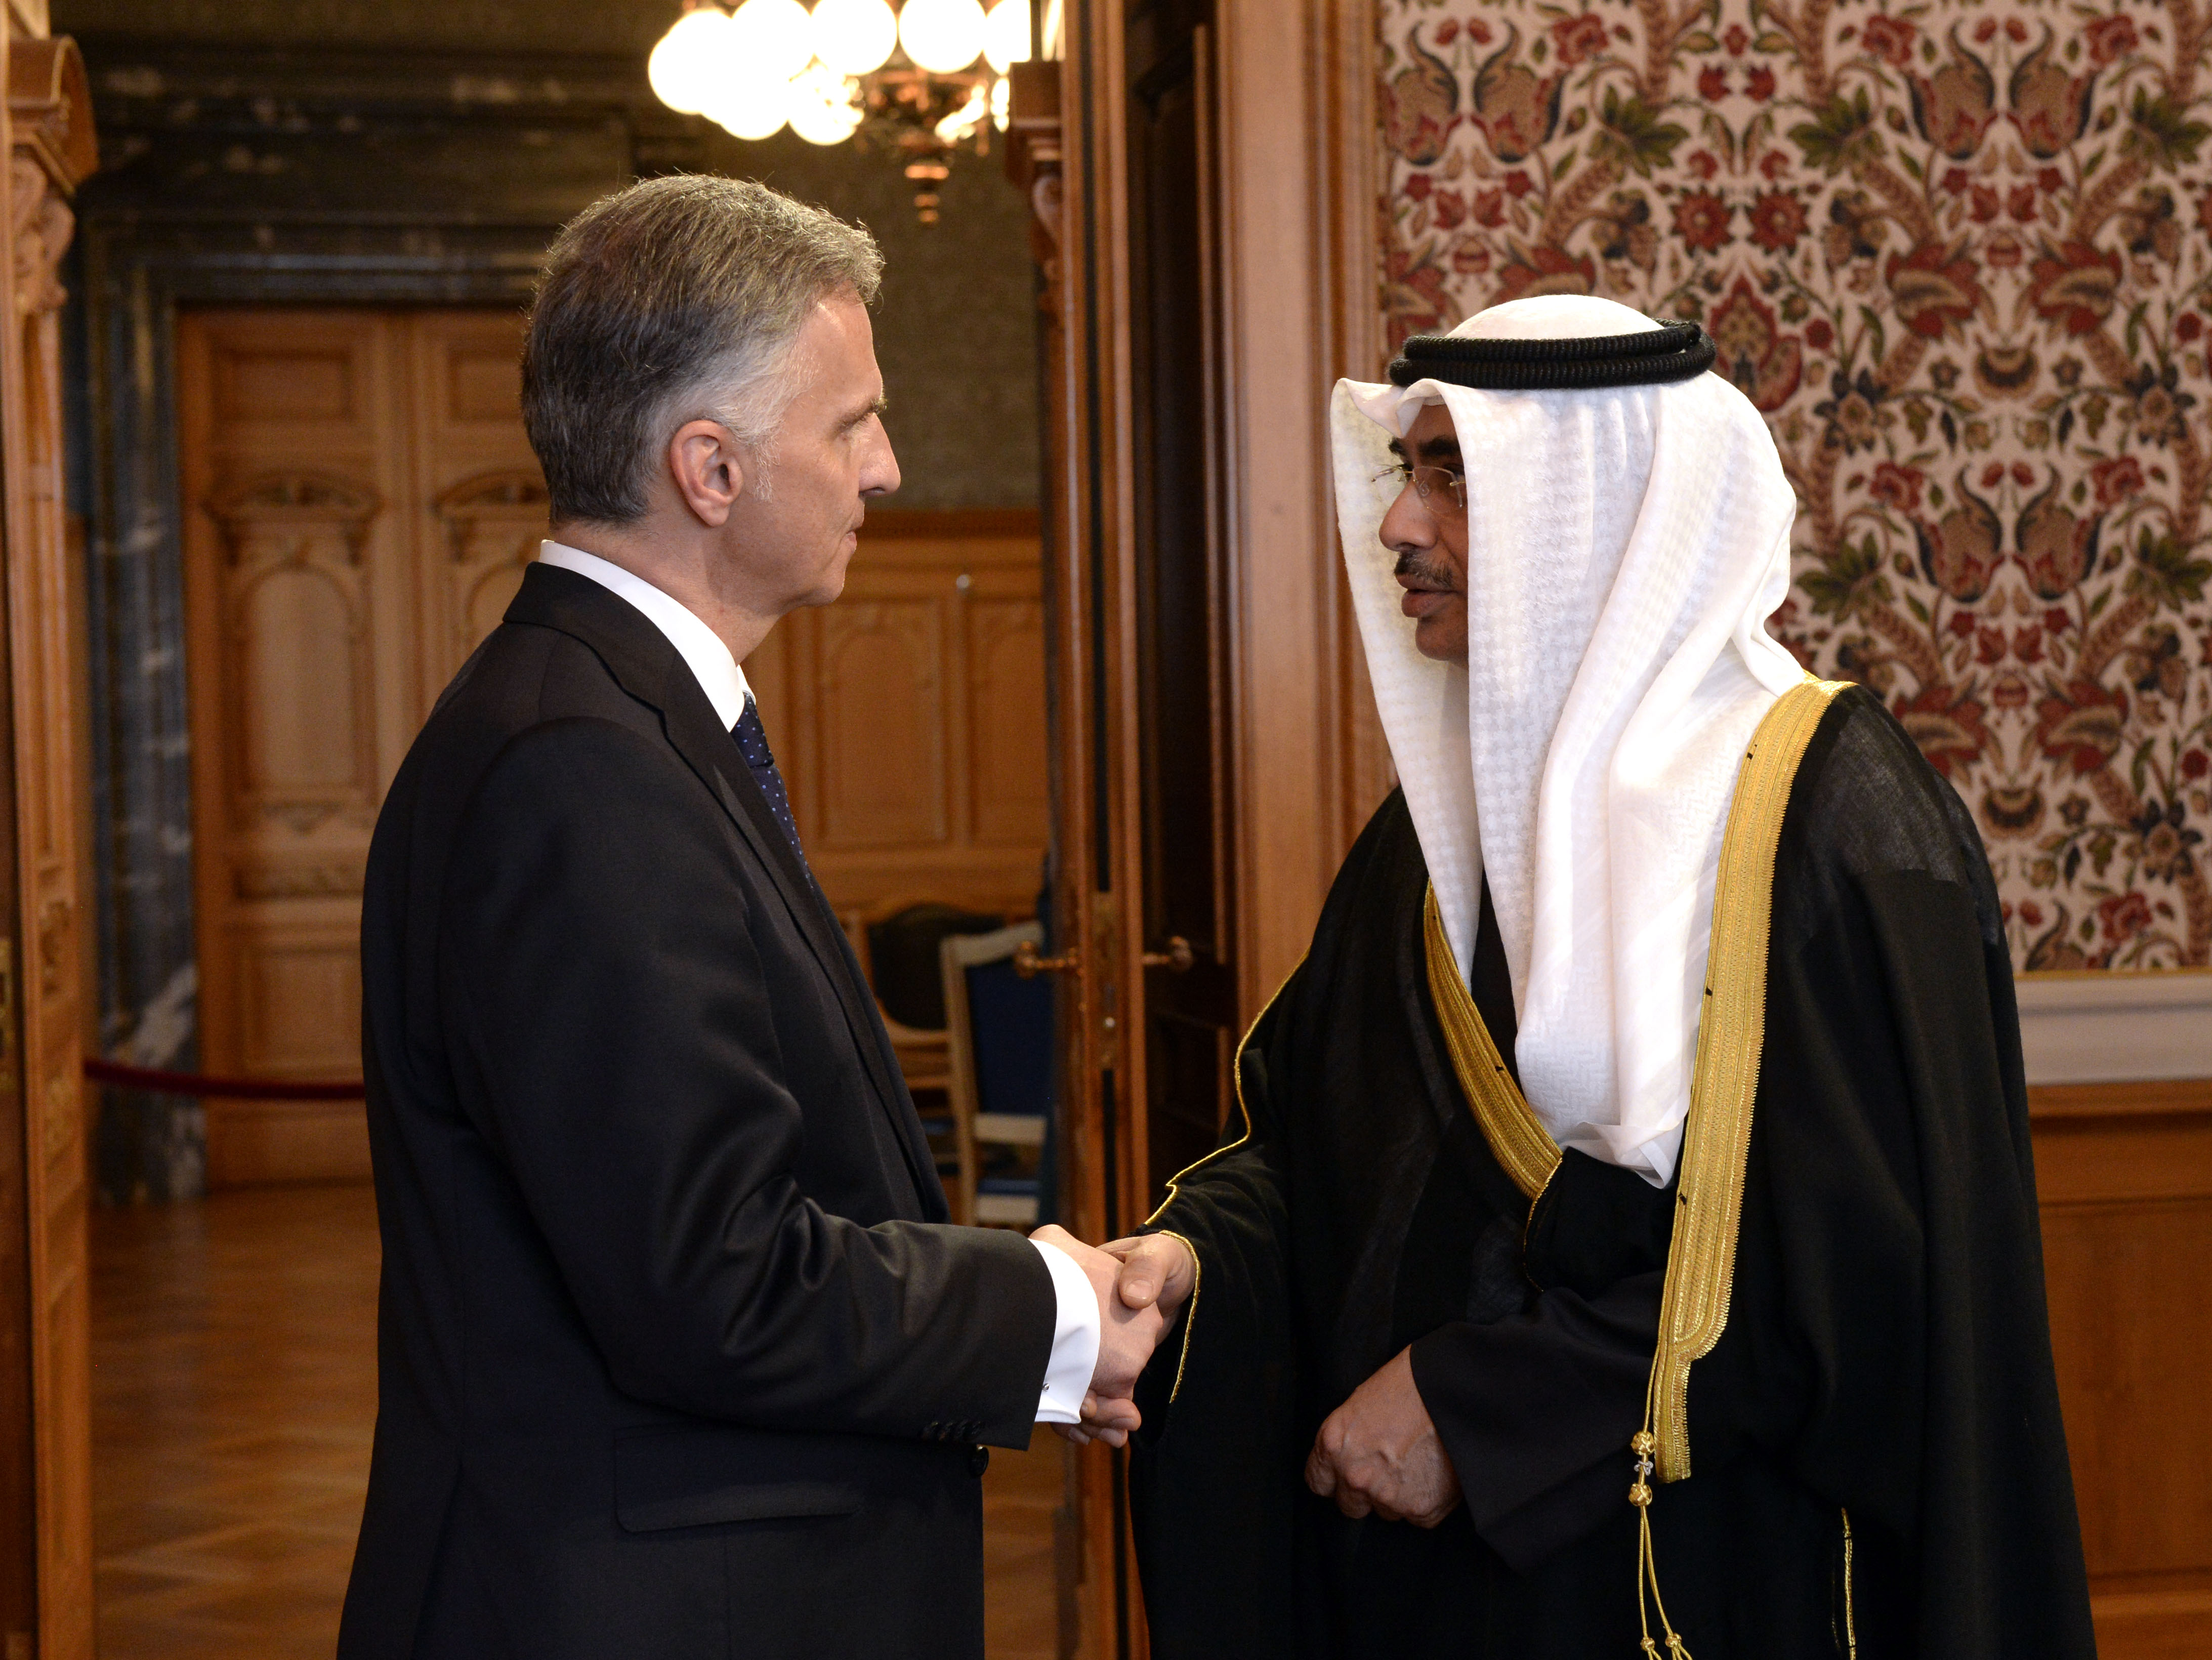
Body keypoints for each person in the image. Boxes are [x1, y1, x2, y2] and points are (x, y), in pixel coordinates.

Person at [1092, 295, 2097, 1657]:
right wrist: (1192, 1257)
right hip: (1430, 1589)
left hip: (1709, 1577)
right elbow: (1332, 1141)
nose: (1399, 524)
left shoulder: (1830, 820)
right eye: (1411, 470)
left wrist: (1476, 1406)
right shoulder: (1443, 822)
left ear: (1594, 505)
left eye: (1455, 475)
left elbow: (1858, 1280)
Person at [342, 175, 1159, 1660]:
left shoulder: (615, 724)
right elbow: (711, 1281)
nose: (891, 469)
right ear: (710, 469)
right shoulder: (578, 768)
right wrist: (1045, 1304)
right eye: (852, 424)